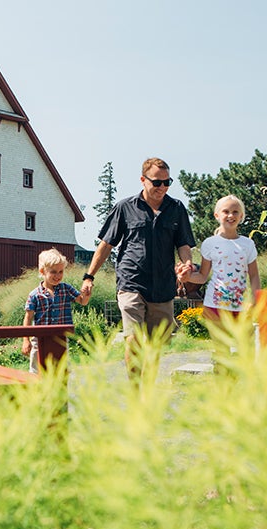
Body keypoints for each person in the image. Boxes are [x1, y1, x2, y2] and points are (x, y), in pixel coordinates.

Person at [82, 157, 195, 382]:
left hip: (163, 287)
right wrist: (89, 276)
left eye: (167, 182)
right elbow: (106, 245)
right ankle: (134, 392)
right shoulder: (125, 208)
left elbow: (183, 244)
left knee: (155, 347)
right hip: (131, 282)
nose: (162, 187)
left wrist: (187, 264)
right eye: (156, 182)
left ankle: (147, 393)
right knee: (133, 339)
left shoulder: (176, 208)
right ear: (143, 180)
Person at [180, 194, 260, 326]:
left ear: (241, 216)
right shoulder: (210, 243)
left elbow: (254, 275)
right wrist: (187, 277)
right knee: (221, 347)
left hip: (242, 307)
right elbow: (202, 276)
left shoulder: (248, 244)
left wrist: (255, 300)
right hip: (214, 306)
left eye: (235, 212)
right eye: (226, 211)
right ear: (217, 215)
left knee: (244, 345)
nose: (231, 215)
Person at [22, 248, 90, 374]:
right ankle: (38, 391)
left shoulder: (66, 289)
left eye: (61, 272)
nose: (58, 276)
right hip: (40, 338)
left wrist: (86, 295)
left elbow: (82, 301)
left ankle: (60, 392)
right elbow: (28, 318)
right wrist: (26, 340)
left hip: (61, 337)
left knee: (62, 369)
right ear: (42, 271)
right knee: (37, 370)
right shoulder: (35, 295)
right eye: (53, 272)